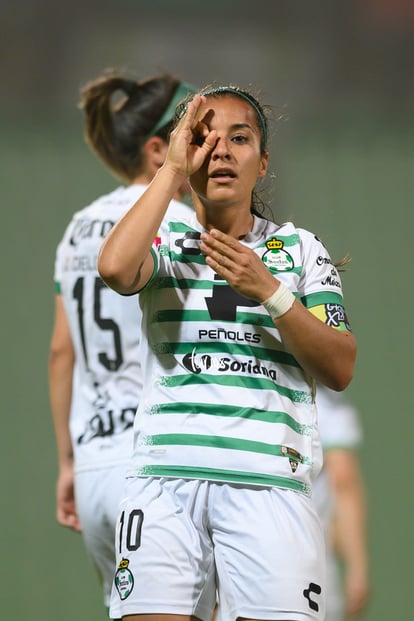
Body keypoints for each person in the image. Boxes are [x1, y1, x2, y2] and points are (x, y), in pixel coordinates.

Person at [97, 84, 357, 621]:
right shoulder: (166, 240)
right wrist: (169, 173)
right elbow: (116, 269)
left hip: (269, 486)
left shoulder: (299, 249)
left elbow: (340, 366)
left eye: (239, 139)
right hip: (165, 481)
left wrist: (270, 290)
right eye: (204, 138)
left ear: (262, 164)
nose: (220, 150)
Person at [48, 69, 197, 617]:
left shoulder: (78, 227)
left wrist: (67, 461)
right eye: (194, 134)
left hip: (92, 466)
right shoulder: (181, 223)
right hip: (158, 466)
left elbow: (62, 351)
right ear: (160, 149)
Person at [313, 385, 370, 621]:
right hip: (312, 565)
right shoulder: (327, 403)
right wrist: (358, 569)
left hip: (234, 559)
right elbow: (344, 482)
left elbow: (343, 479)